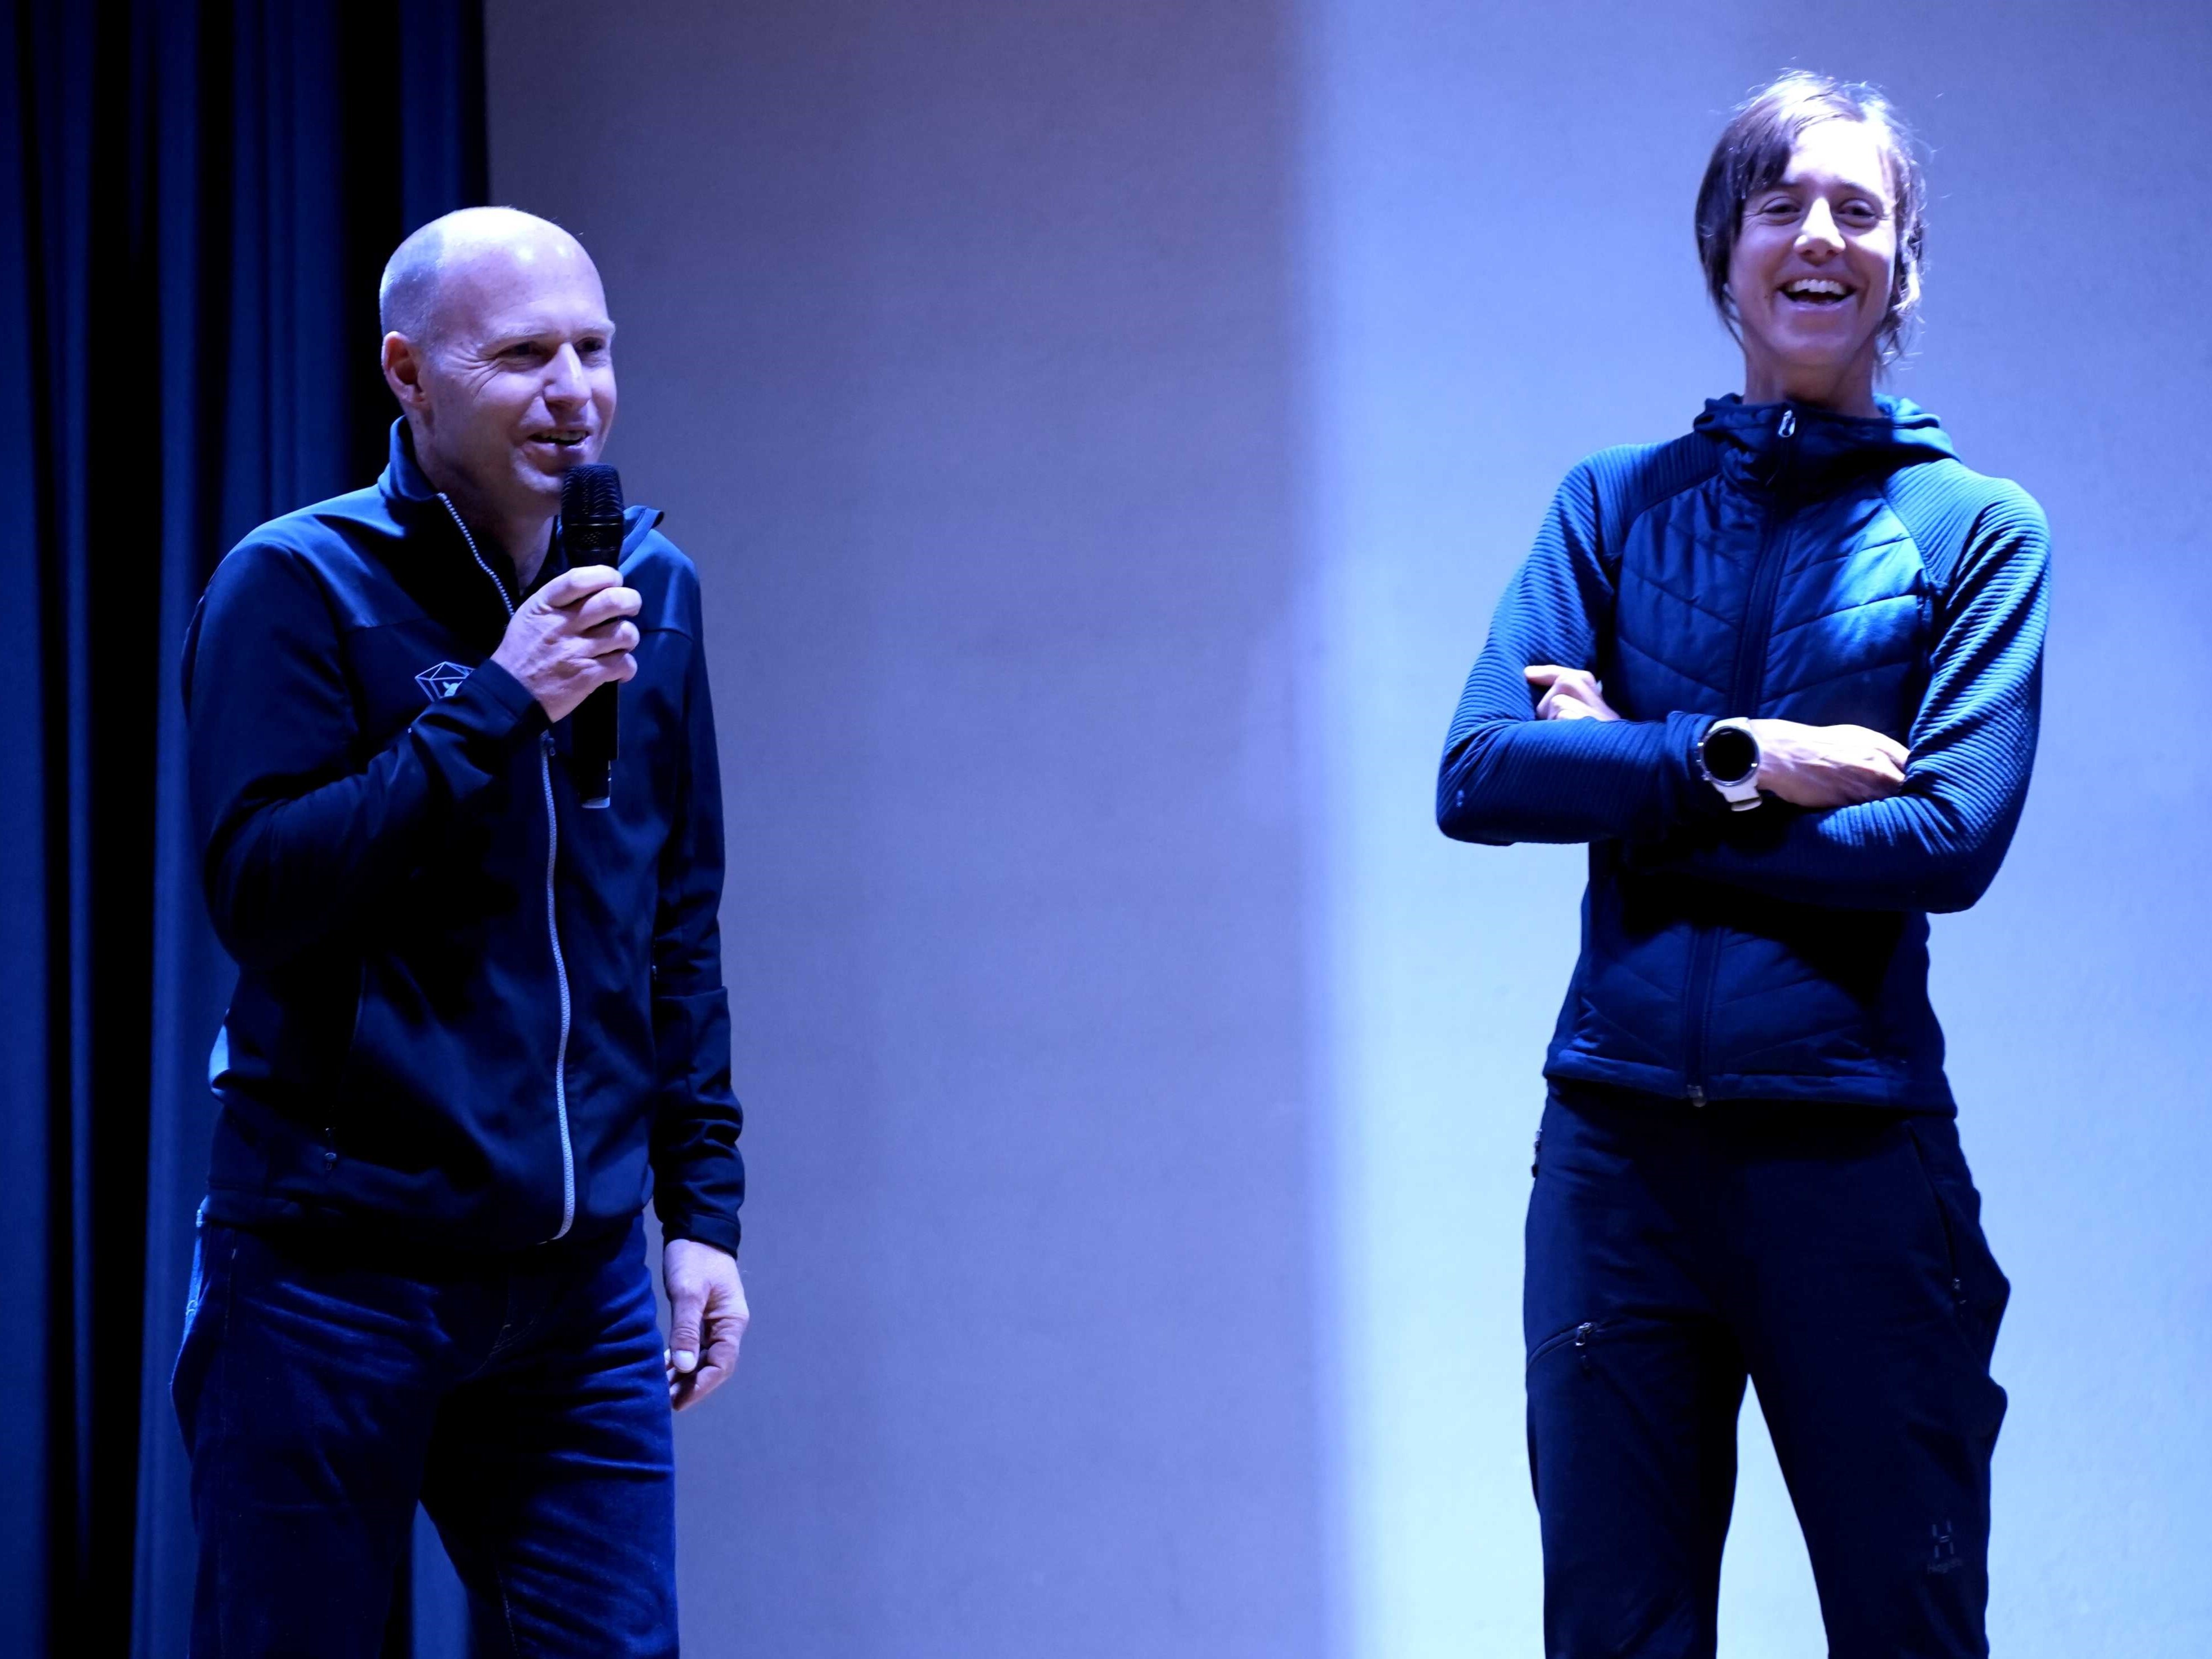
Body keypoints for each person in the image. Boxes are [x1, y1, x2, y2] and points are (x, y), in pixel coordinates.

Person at [1435, 73, 2047, 1658]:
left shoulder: (1976, 530)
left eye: (1858, 210)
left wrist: (1629, 770)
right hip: (1615, 1162)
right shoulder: (1610, 503)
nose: (1817, 238)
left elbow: (1943, 840)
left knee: (1908, 1633)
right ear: (1723, 251)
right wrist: (1737, 754)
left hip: (1852, 1158)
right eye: (1780, 206)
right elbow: (1481, 772)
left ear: (1903, 262)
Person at [174, 206, 747, 1658]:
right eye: (522, 356)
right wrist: (500, 700)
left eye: (592, 349)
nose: (573, 391)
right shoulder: (299, 583)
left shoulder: (654, 588)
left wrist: (703, 1215)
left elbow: (674, 924)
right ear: (408, 372)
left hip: (576, 1285)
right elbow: (263, 891)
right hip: (331, 1272)